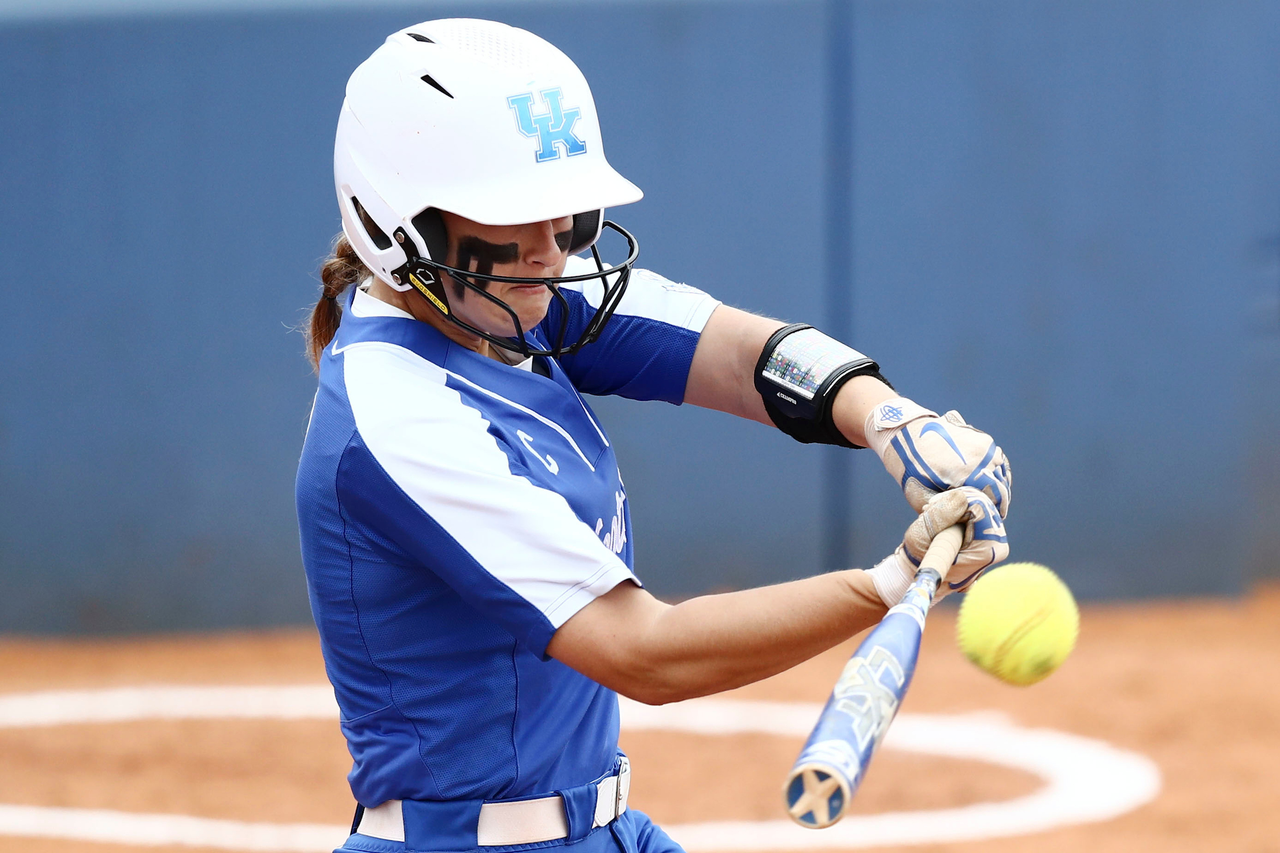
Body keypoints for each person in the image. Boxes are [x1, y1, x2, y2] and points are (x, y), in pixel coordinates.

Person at [296, 18, 1011, 853]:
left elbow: (741, 356)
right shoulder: (400, 415)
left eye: (563, 212)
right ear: (399, 224)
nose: (551, 248)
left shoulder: (505, 297)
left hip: (600, 830)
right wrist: (887, 583)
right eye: (512, 215)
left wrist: (894, 421)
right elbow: (647, 653)